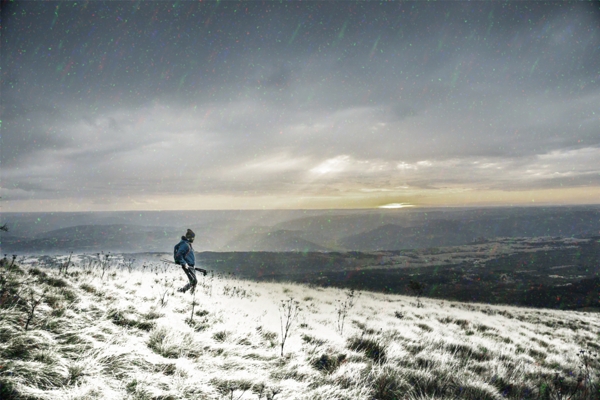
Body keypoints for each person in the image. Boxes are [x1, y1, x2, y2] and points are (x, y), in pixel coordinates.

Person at [174, 228, 197, 293]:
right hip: (187, 266)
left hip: (190, 266)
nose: (193, 239)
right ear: (190, 237)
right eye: (193, 238)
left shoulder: (187, 244)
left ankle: (191, 294)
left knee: (194, 281)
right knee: (193, 281)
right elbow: (178, 255)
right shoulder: (185, 245)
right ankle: (182, 291)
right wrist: (184, 263)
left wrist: (193, 264)